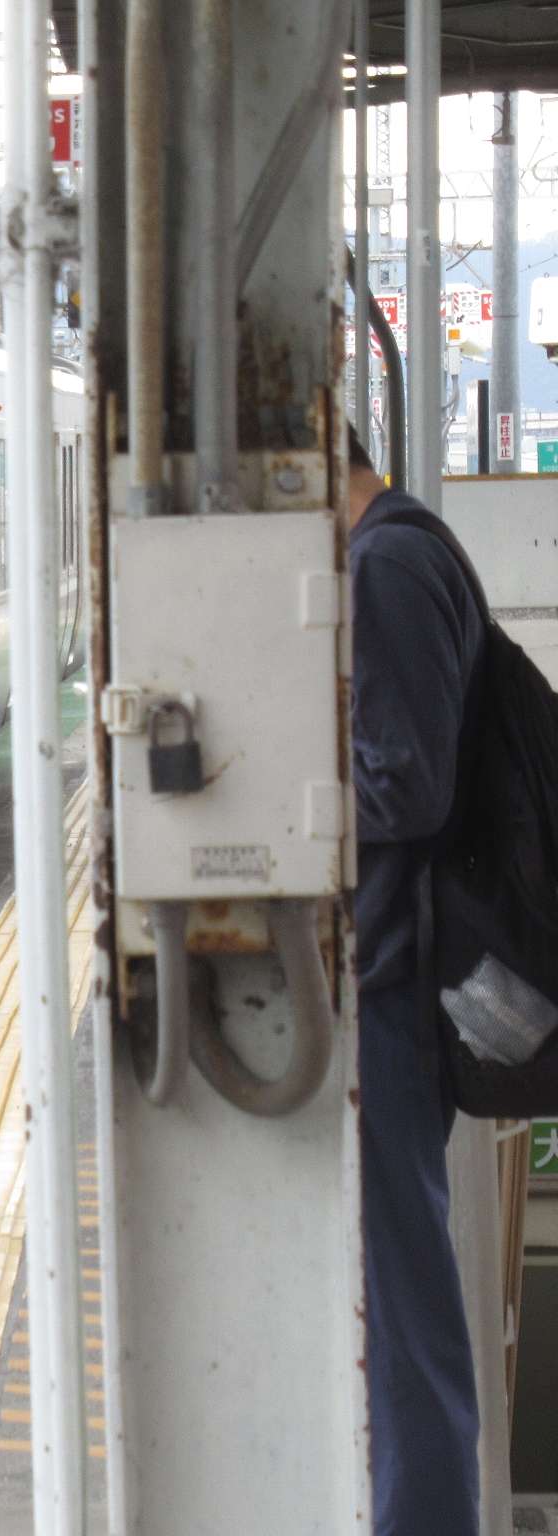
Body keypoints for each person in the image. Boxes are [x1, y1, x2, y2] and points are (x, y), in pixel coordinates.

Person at [348, 423, 485, 1535]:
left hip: (394, 981)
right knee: (395, 1302)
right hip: (400, 969)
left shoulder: (386, 562)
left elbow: (406, 786)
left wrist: (286, 805)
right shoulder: (403, 545)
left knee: (403, 1312)